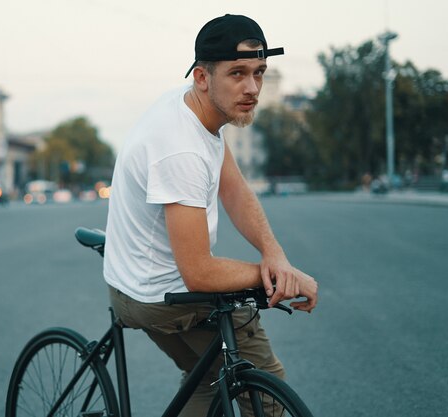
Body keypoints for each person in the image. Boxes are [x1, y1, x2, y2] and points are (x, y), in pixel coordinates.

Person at [103, 14, 318, 416]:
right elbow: (199, 273)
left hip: (137, 282)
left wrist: (275, 254)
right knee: (267, 399)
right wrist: (279, 276)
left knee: (206, 379)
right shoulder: (180, 147)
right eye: (237, 73)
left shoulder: (196, 111)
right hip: (156, 296)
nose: (252, 88)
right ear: (202, 77)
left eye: (259, 73)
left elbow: (234, 189)